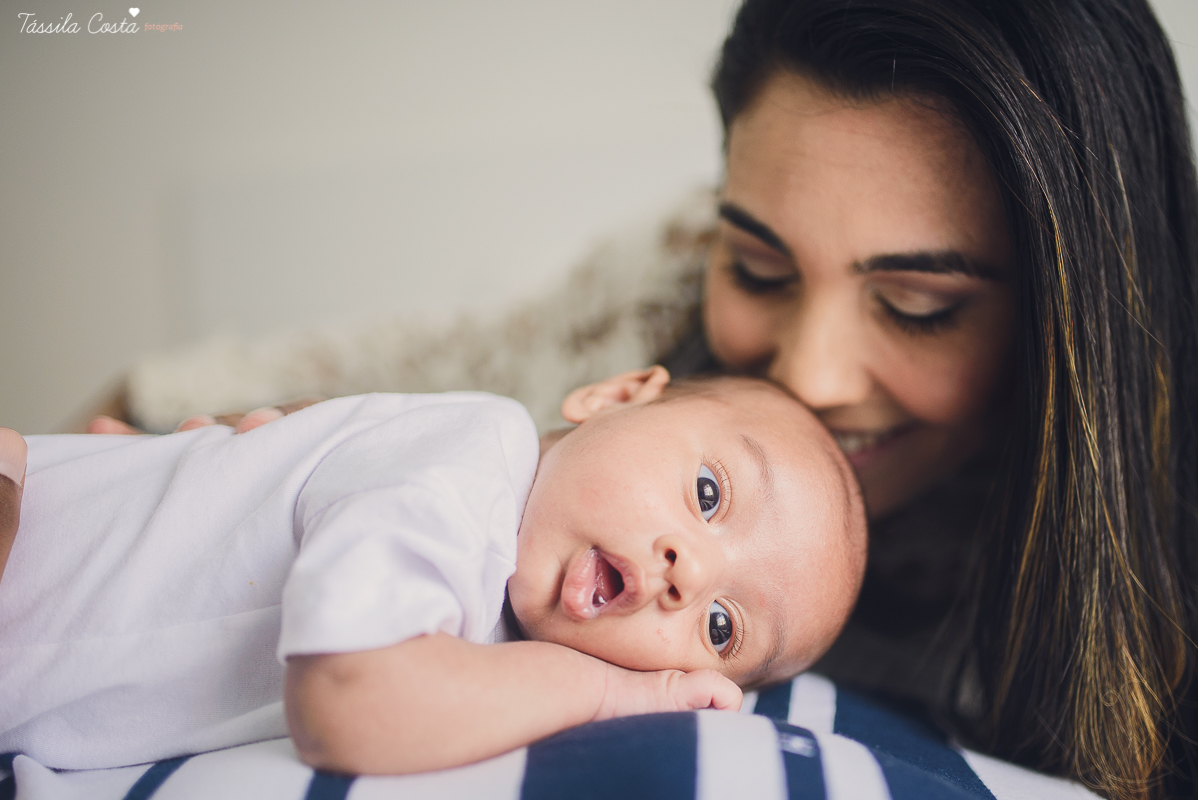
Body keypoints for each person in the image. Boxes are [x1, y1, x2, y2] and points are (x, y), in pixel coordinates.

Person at [78, 0, 1198, 796]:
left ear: (1078, 314)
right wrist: (233, 465)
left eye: (915, 304)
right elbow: (187, 389)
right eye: (758, 270)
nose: (806, 375)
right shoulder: (647, 306)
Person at [0, 368, 867, 774]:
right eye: (708, 491)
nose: (690, 574)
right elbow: (349, 703)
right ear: (614, 396)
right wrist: (604, 693)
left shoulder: (487, 630)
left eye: (722, 626)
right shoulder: (474, 454)